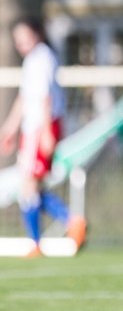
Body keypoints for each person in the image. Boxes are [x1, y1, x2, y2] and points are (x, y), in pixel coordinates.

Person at [0, 17, 85, 256]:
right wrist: (9, 128)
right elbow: (24, 97)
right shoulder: (32, 60)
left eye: (24, 38)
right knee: (30, 187)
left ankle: (62, 225)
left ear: (37, 34)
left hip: (40, 128)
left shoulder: (43, 58)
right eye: (17, 41)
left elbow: (45, 97)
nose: (21, 44)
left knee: (28, 185)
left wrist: (47, 131)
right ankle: (52, 232)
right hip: (33, 129)